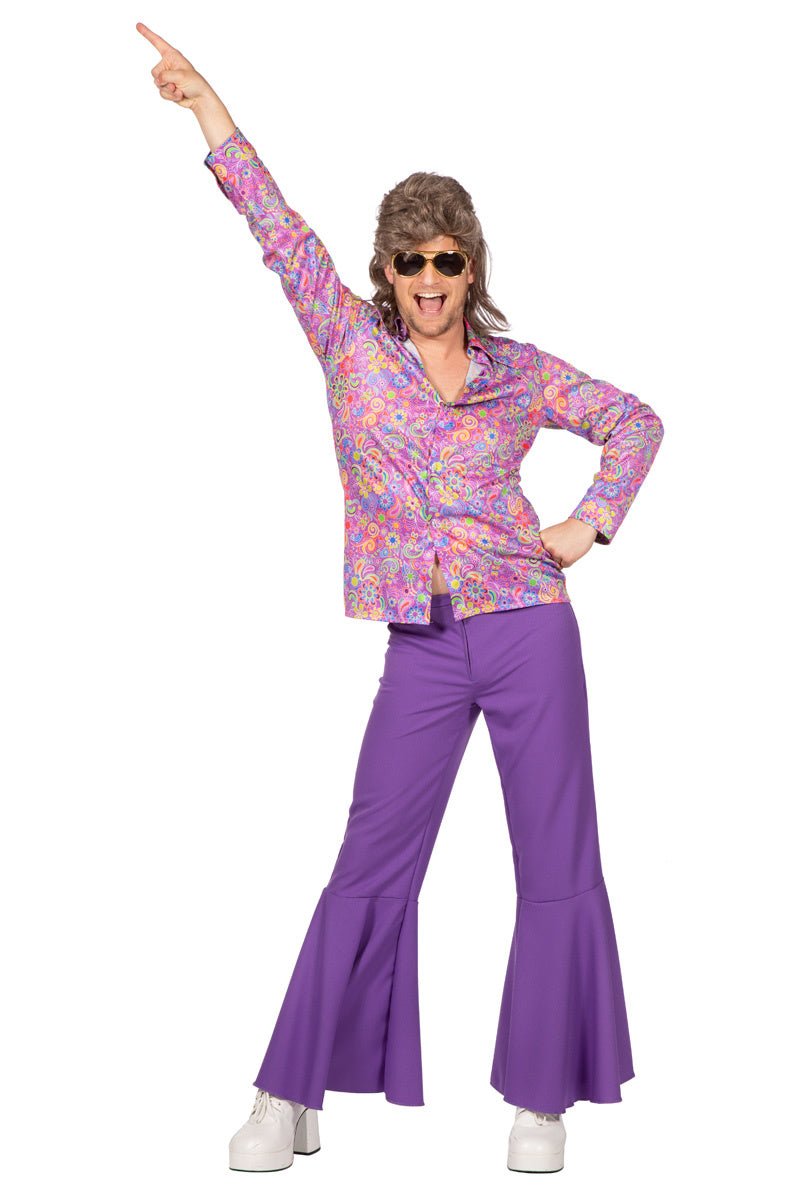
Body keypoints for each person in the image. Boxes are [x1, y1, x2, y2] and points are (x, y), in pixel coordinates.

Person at [137, 21, 665, 1175]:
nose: (428, 281)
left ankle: (541, 1101)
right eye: (409, 261)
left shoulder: (518, 375)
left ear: (472, 269)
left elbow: (634, 420)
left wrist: (588, 525)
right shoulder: (348, 342)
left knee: (555, 861)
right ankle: (288, 1092)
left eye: (447, 261)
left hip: (528, 628)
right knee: (370, 860)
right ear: (384, 270)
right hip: (421, 643)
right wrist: (208, 106)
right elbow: (274, 225)